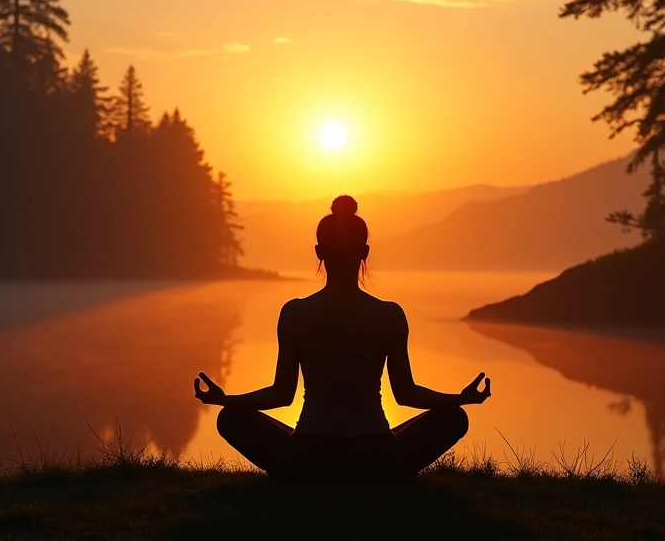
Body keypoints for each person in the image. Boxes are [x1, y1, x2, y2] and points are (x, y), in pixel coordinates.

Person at [193, 195, 492, 479]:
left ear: (319, 252)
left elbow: (281, 395)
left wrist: (225, 400)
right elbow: (406, 394)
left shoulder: (295, 313)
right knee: (454, 417)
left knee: (230, 418)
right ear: (364, 252)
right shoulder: (389, 315)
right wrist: (461, 399)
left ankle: (302, 476)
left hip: (306, 455)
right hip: (378, 456)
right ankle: (382, 476)